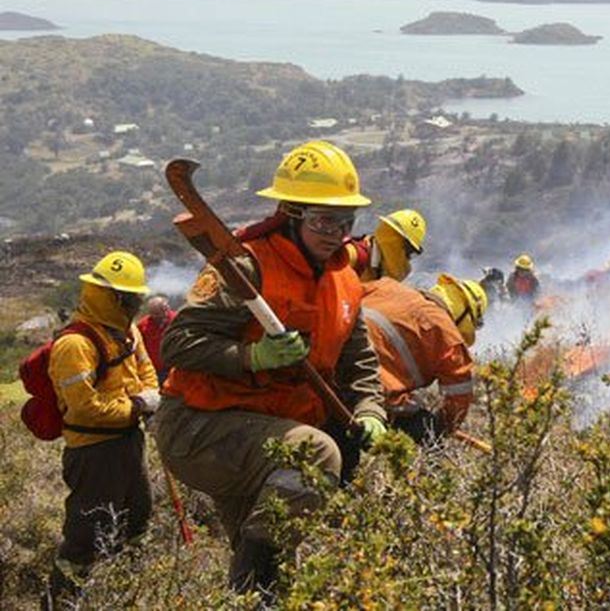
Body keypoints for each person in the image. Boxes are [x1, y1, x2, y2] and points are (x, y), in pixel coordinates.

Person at [153, 140, 387, 598]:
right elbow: (177, 343)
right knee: (314, 455)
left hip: (266, 435)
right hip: (200, 425)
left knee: (262, 555)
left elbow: (359, 362)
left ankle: (253, 599)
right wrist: (251, 357)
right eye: (323, 221)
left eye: (346, 221)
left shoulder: (346, 282)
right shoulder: (246, 266)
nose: (335, 233)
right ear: (291, 214)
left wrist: (371, 410)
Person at [47, 251, 159, 606]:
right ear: (114, 297)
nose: (137, 304)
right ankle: (59, 601)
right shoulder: (74, 344)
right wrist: (137, 407)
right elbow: (86, 407)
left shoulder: (128, 332)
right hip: (93, 452)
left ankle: (128, 592)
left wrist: (149, 398)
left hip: (129, 442)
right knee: (85, 535)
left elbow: (146, 372)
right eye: (132, 298)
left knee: (138, 517)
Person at [360, 272, 487, 451]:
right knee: (430, 441)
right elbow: (458, 399)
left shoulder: (386, 286)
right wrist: (441, 427)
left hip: (328, 360)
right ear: (466, 316)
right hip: (373, 391)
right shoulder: (448, 336)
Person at [344, 208, 427, 283]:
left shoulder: (382, 267)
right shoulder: (352, 255)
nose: (408, 258)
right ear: (395, 241)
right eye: (409, 250)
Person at [136, 294, 176, 384]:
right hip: (153, 370)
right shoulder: (143, 325)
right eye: (154, 314)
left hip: (173, 369)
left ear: (166, 309)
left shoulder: (177, 321)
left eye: (159, 313)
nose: (157, 317)